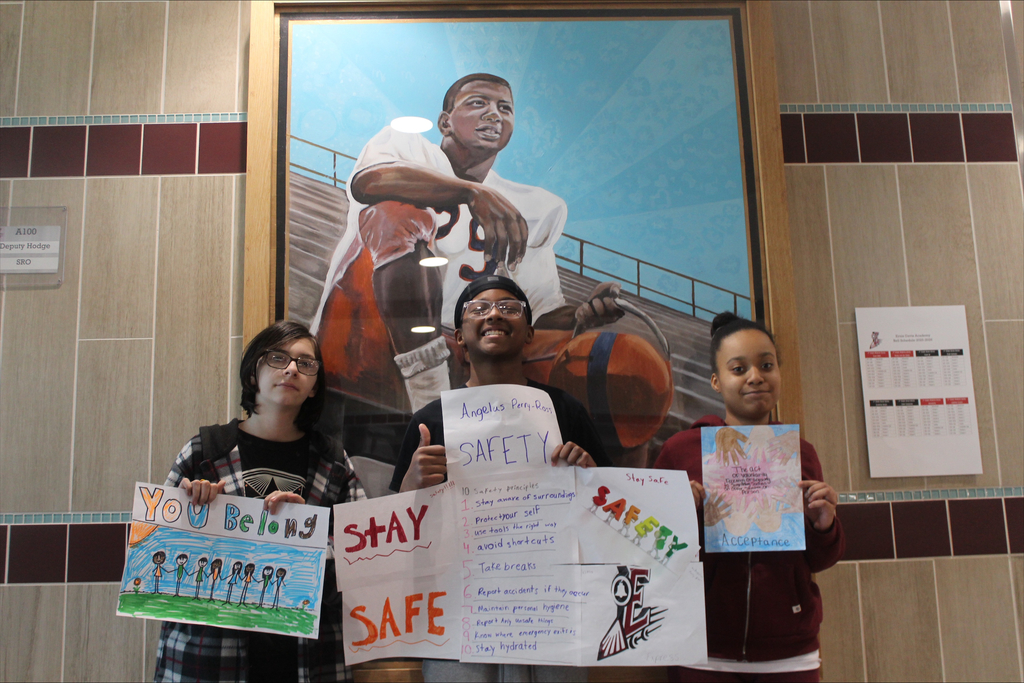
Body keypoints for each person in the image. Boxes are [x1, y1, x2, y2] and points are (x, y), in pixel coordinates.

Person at [311, 73, 624, 412]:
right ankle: (427, 393)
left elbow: (540, 311)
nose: (494, 114)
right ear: (445, 122)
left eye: (505, 108)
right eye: (479, 103)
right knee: (395, 213)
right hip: (364, 329)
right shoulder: (409, 146)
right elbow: (368, 182)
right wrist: (469, 192)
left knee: (603, 360)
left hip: (462, 355)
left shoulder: (530, 206)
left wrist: (583, 314)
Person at [390, 275, 611, 683]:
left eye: (509, 307)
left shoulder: (565, 410)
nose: (494, 313)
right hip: (461, 618)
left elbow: (612, 513)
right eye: (479, 308)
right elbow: (398, 537)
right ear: (458, 337)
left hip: (553, 612)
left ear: (529, 332)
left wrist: (591, 475)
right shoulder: (429, 421)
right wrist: (411, 485)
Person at [153, 320, 366, 683]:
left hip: (312, 660)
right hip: (208, 659)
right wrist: (191, 514)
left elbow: (364, 559)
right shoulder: (205, 452)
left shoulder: (332, 462)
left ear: (314, 387)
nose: (292, 368)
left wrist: (307, 536)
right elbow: (154, 559)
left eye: (306, 363)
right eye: (278, 357)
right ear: (253, 374)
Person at [653, 312, 845, 683]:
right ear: (716, 381)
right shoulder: (681, 452)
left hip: (790, 652)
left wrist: (824, 526)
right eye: (738, 369)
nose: (755, 376)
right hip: (701, 648)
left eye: (767, 365)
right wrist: (679, 512)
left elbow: (819, 559)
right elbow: (651, 549)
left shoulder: (800, 454)